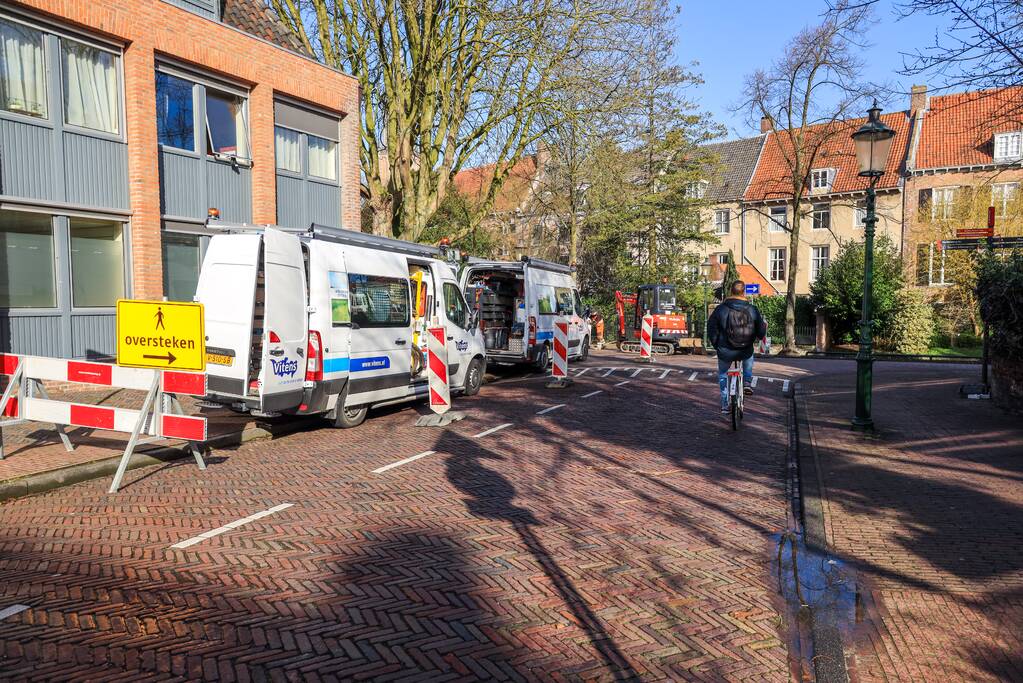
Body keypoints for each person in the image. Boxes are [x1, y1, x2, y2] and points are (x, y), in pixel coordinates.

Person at [707, 280, 767, 414]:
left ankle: (724, 404)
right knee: (748, 357)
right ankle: (747, 382)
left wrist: (717, 344)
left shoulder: (721, 309)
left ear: (731, 291)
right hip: (745, 349)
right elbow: (761, 331)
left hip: (725, 350)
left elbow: (711, 328)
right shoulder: (752, 309)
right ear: (744, 292)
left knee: (723, 374)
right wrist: (755, 339)